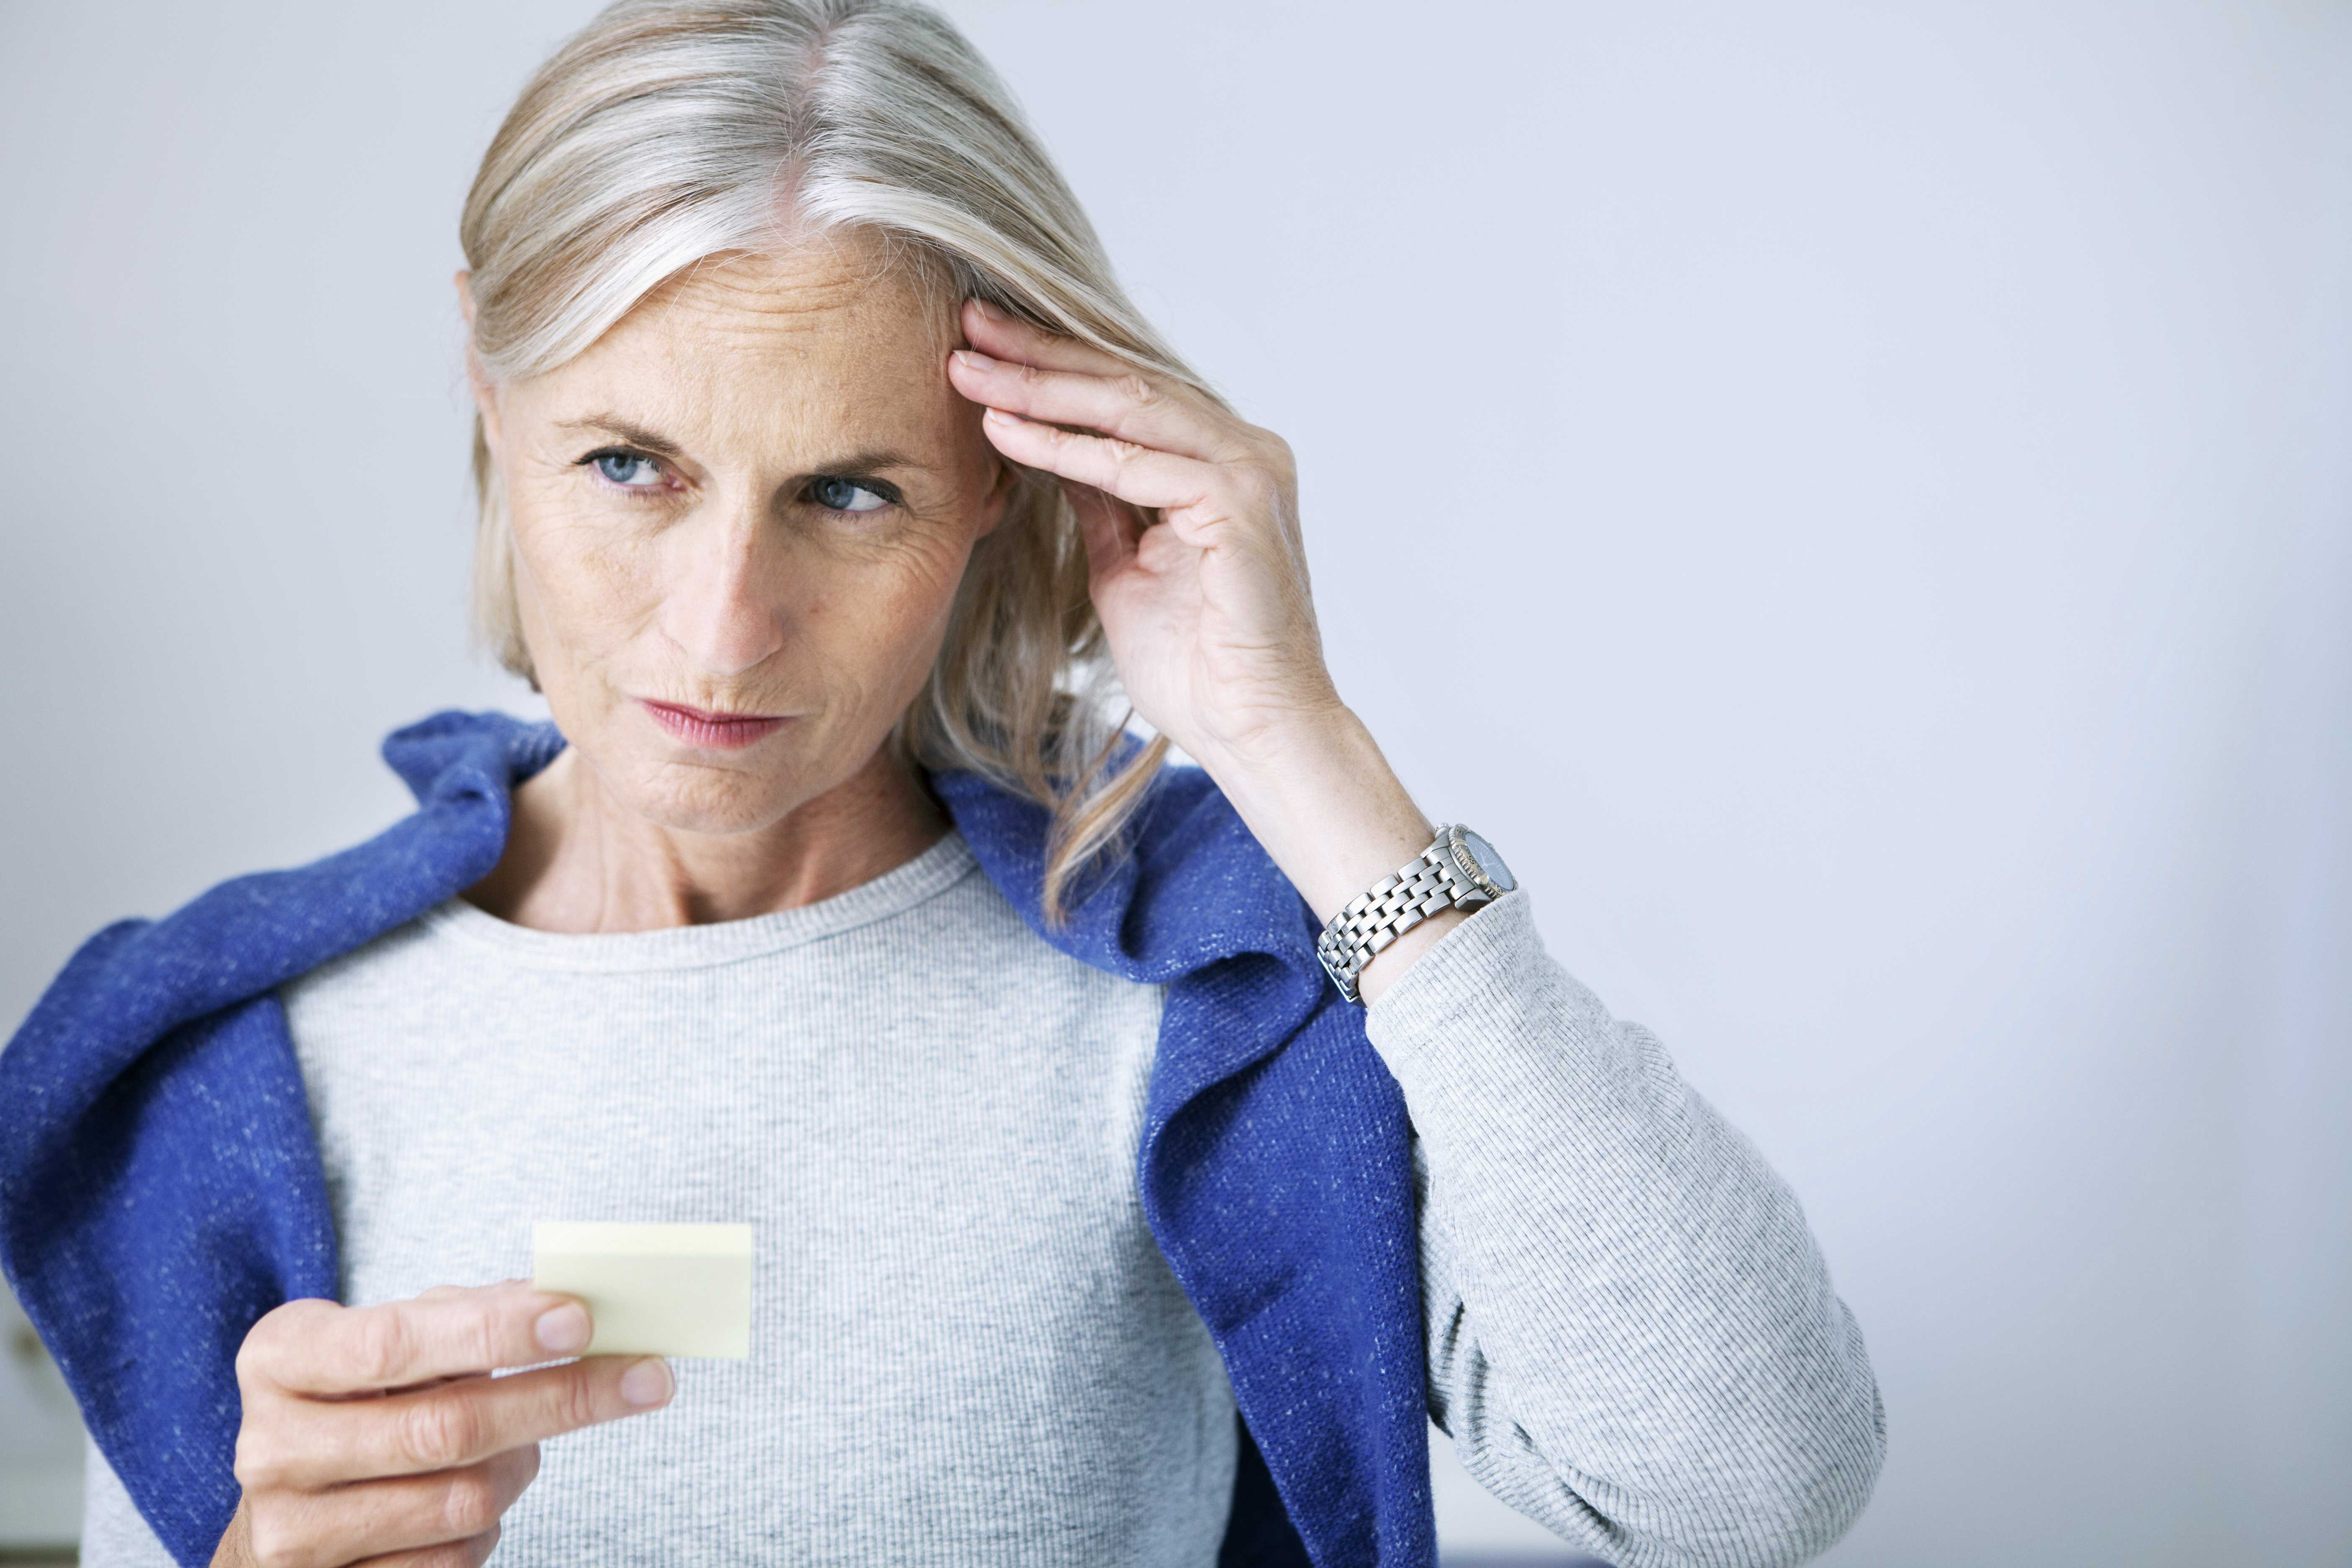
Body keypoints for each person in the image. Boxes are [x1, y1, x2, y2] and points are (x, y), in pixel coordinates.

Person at [0, 3, 1885, 1565]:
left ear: (1003, 482)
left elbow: (1745, 1482)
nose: (726, 631)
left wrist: (1290, 741)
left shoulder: (1195, 992)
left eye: (849, 490)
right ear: (490, 406)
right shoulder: (221, 1063)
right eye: (630, 466)